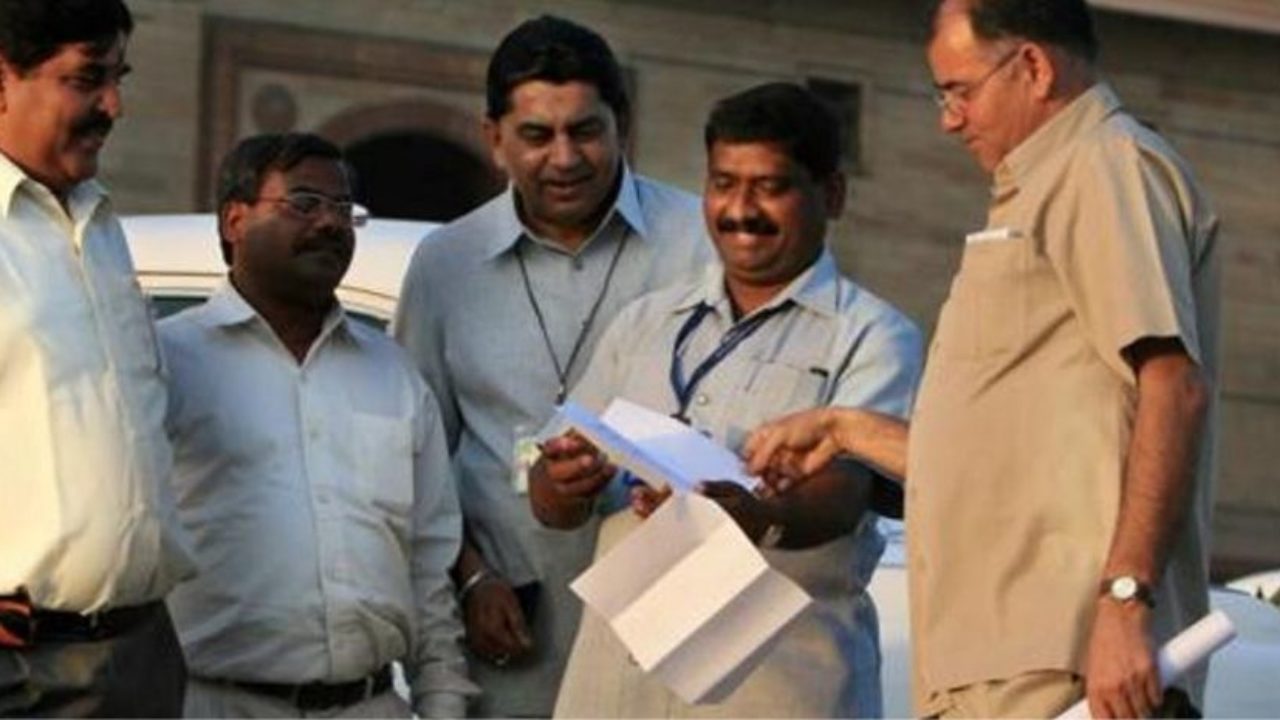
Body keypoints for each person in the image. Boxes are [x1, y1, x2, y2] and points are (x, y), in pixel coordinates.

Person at [746, 1, 1219, 717]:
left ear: (1032, 66)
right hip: (994, 661)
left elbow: (1174, 387)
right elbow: (1002, 463)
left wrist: (1126, 601)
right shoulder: (1043, 188)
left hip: (1063, 658)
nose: (949, 120)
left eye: (959, 91)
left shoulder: (1104, 165)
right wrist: (845, 429)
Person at [530, 82, 923, 718]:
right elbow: (548, 495)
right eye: (724, 184)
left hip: (773, 690)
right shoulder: (646, 322)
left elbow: (845, 495)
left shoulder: (874, 336)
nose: (741, 210)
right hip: (616, 688)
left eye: (770, 187)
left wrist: (756, 516)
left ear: (832, 195)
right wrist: (558, 480)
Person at [393, 15, 711, 717]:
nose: (564, 158)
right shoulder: (446, 266)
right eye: (537, 135)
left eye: (585, 131)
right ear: (495, 138)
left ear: (623, 125)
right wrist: (470, 580)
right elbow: (413, 461)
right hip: (512, 645)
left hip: (673, 647)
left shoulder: (702, 244)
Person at [161, 133, 476, 718]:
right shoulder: (169, 363)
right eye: (304, 203)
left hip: (371, 704)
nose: (330, 223)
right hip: (217, 703)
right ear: (234, 220)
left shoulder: (393, 373)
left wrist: (442, 702)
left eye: (343, 209)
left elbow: (429, 564)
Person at [0, 0, 196, 715]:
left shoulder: (99, 228)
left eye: (119, 79)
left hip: (140, 654)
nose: (113, 105)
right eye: (86, 79)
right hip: (25, 668)